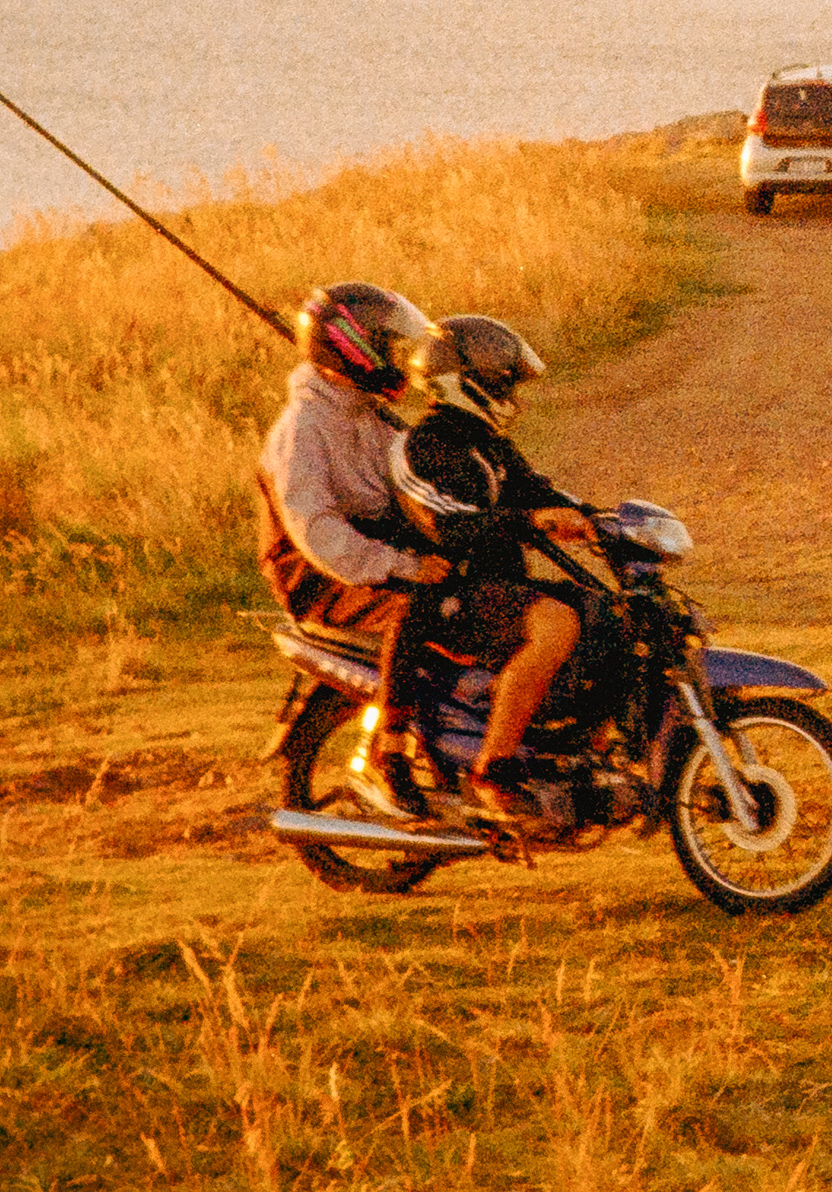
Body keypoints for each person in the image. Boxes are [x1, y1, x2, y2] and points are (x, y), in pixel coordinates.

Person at [255, 280, 459, 816]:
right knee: (417, 608)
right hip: (320, 574)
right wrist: (404, 567)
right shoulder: (302, 428)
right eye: (388, 346)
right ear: (352, 347)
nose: (398, 356)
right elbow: (317, 531)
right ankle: (391, 751)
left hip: (371, 553)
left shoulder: (367, 413)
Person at [395, 315, 596, 823]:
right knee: (557, 623)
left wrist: (598, 518)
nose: (509, 392)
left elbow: (535, 489)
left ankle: (574, 756)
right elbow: (451, 528)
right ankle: (493, 767)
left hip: (500, 587)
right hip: (453, 590)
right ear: (466, 382)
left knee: (603, 613)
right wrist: (532, 520)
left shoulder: (487, 441)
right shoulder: (425, 445)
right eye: (502, 381)